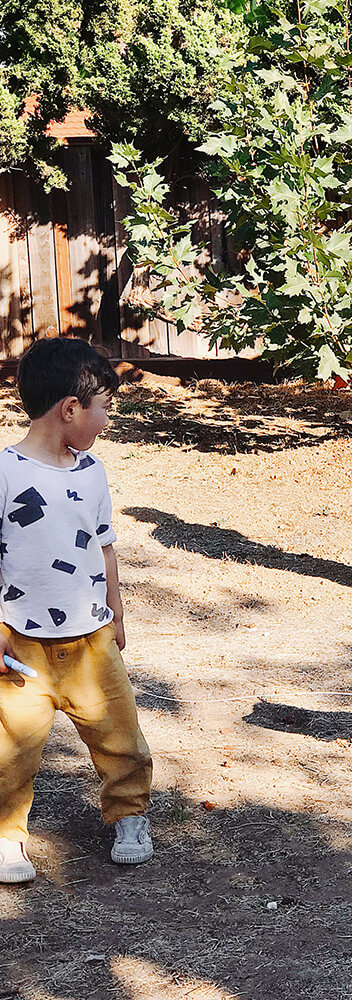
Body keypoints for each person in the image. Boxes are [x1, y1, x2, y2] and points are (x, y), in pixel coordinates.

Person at [0, 338, 153, 883]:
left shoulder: (92, 472)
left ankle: (130, 816)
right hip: (20, 646)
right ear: (71, 408)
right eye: (105, 407)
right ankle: (6, 836)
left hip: (91, 640)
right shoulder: (6, 472)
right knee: (11, 750)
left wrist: (116, 610)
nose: (108, 420)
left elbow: (104, 543)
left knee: (120, 736)